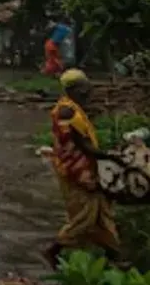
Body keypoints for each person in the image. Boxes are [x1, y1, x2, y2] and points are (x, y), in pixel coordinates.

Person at [42, 69, 123, 268]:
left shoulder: (71, 108)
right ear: (72, 90)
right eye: (83, 89)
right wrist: (111, 156)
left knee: (101, 212)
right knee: (85, 216)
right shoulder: (67, 112)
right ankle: (54, 249)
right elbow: (83, 145)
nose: (88, 93)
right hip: (77, 171)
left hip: (84, 168)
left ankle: (115, 255)